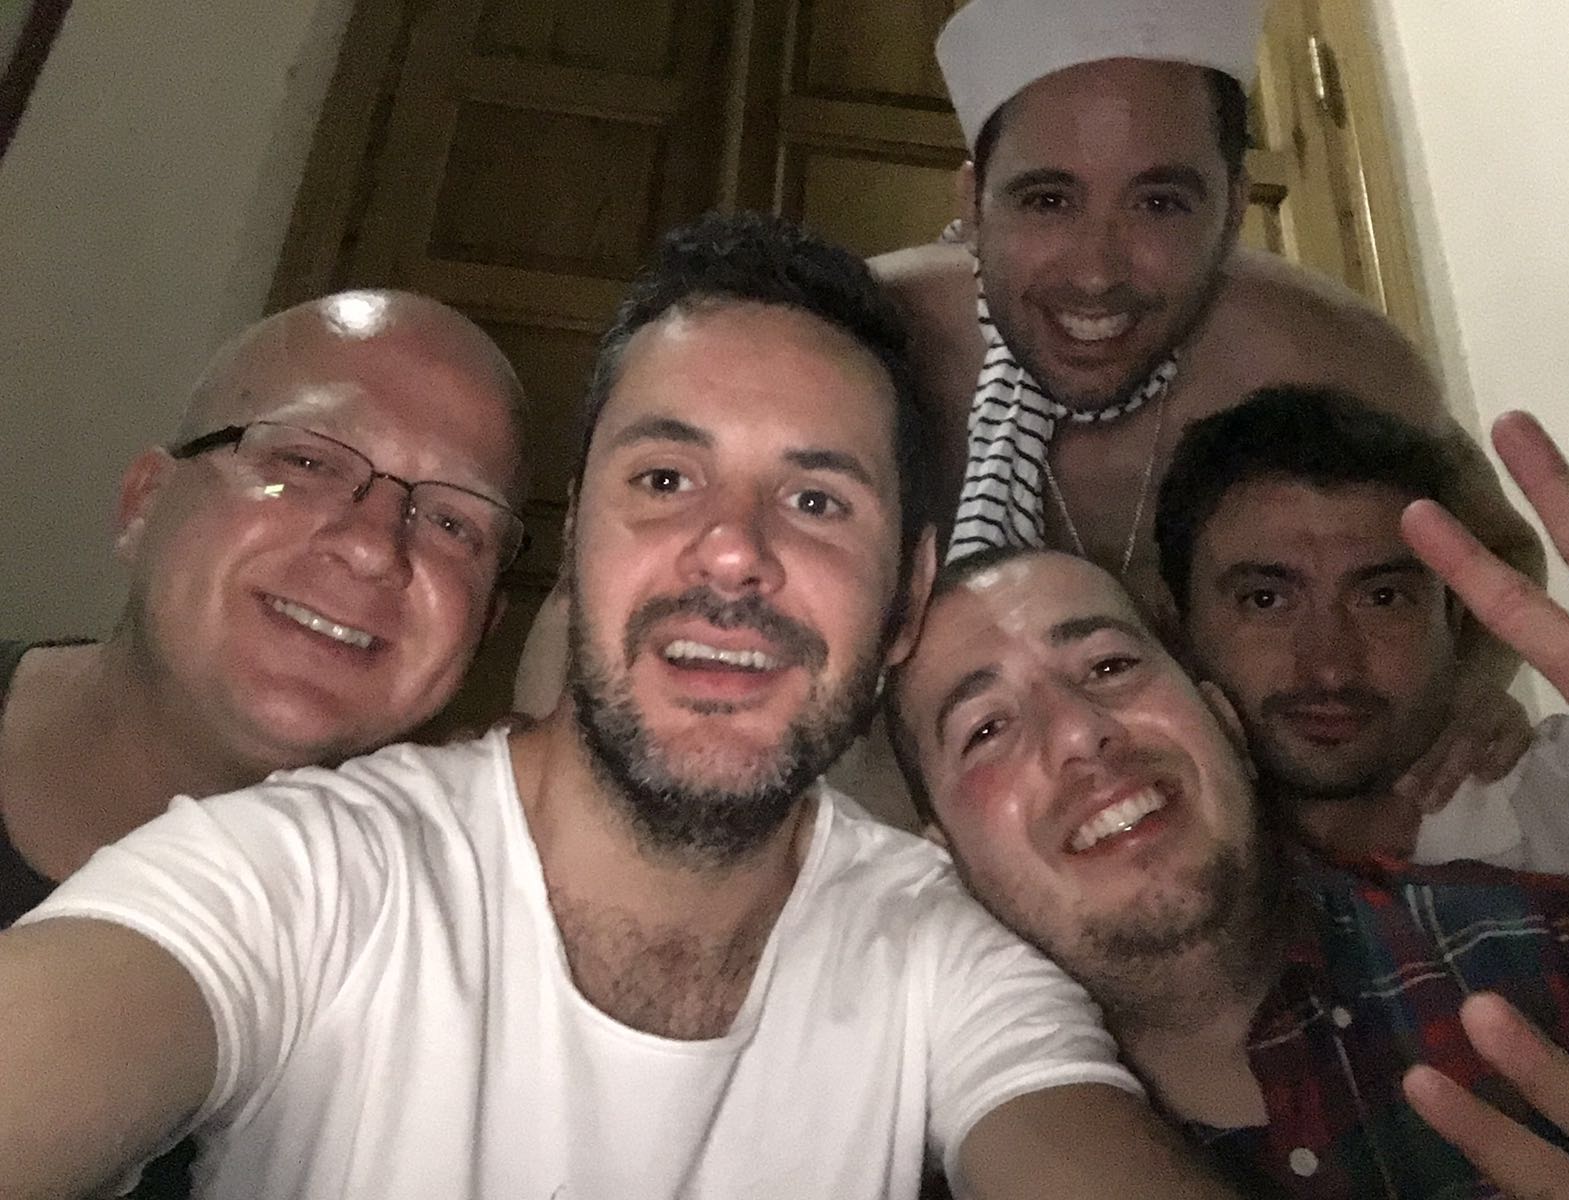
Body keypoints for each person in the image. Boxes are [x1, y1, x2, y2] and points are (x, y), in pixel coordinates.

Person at [0, 214, 1233, 1200]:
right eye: (664, 478)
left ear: (904, 602)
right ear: (578, 548)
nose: (732, 552)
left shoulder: (946, 959)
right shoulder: (298, 876)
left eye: (816, 502)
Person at [884, 409, 1569, 1197]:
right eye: (986, 729)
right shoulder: (892, 1162)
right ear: (941, 854)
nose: (1081, 733)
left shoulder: (1556, 955)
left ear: (1223, 720)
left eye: (1110, 666)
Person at [870, 0, 1543, 804]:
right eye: (1047, 200)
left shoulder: (1330, 359)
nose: (1096, 272)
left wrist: (1469, 689)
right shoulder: (873, 342)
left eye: (1160, 203)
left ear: (1231, 209)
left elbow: (1500, 553)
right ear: (974, 203)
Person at [1, 288, 532, 926]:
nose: (372, 548)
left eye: (452, 524)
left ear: (485, 626)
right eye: (306, 461)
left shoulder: (470, 937)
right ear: (145, 503)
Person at [1153, 386, 1569, 872]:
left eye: (1382, 598)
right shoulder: (1125, 867)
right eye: (1266, 600)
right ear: (1178, 631)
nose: (1330, 668)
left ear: (1453, 617)